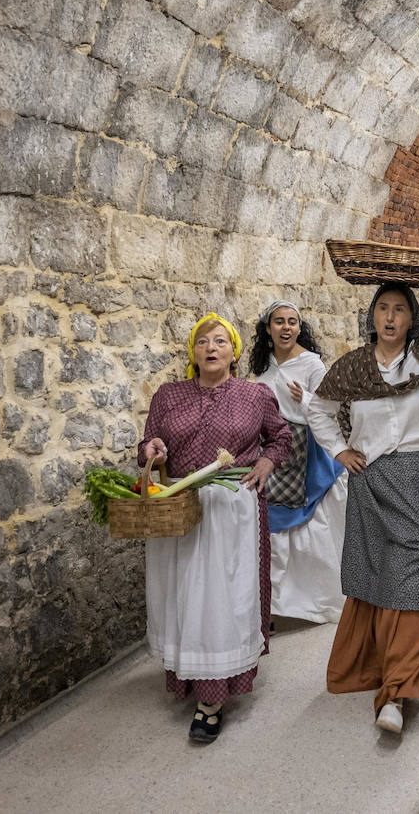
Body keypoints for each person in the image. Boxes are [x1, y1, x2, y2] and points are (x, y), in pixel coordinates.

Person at [306, 254, 419, 736]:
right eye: (382, 308)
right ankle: (386, 677)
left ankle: (397, 694)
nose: (389, 317)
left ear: (413, 319)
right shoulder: (352, 368)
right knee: (383, 585)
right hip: (373, 485)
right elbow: (318, 409)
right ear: (372, 317)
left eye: (399, 309)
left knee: (418, 588)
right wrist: (341, 451)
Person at [138, 313, 291, 744]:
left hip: (232, 512)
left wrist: (265, 462)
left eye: (221, 341)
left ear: (234, 351)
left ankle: (212, 699)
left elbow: (281, 438)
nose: (211, 347)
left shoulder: (254, 395)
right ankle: (190, 679)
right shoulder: (168, 397)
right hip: (180, 509)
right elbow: (149, 445)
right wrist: (151, 448)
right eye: (203, 341)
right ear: (193, 351)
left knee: (221, 602)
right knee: (184, 598)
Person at [249, 300, 347, 625]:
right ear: (268, 328)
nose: (287, 327)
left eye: (292, 322)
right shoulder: (263, 368)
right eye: (279, 322)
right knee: (271, 523)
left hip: (305, 451)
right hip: (272, 449)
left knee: (303, 524)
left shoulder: (312, 365)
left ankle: (311, 602)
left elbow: (331, 409)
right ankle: (271, 607)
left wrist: (304, 398)